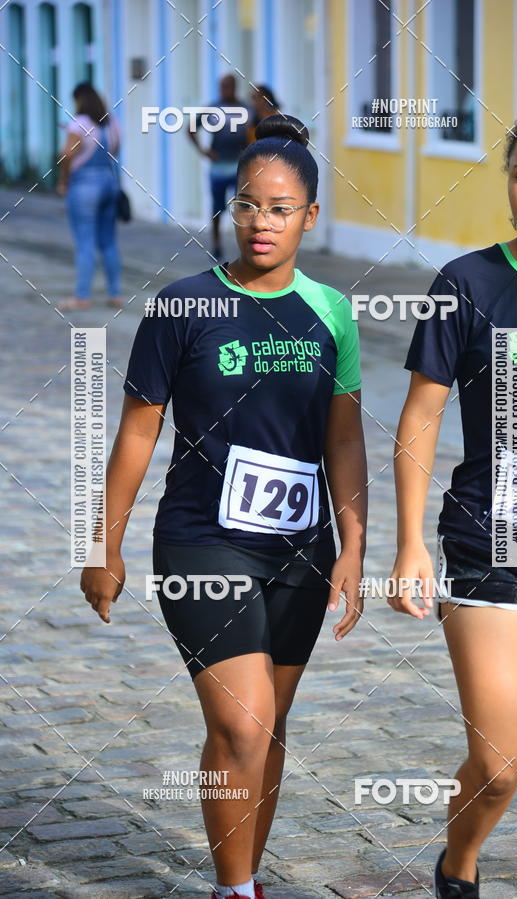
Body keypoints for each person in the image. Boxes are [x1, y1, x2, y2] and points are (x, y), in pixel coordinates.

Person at [81, 113, 367, 899]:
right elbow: (135, 438)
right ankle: (233, 889)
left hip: (300, 546)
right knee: (241, 722)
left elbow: (343, 442)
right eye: (247, 203)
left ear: (310, 216)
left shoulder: (332, 313)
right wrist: (101, 545)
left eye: (280, 207)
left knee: (266, 728)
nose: (259, 222)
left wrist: (354, 544)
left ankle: (247, 876)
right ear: (230, 208)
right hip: (202, 540)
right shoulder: (180, 308)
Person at [388, 108, 517, 899]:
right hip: (491, 538)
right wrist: (410, 543)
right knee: (504, 760)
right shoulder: (466, 284)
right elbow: (420, 417)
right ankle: (459, 861)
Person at [57, 82, 123, 310]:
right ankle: (115, 294)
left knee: (85, 241)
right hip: (109, 182)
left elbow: (67, 155)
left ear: (79, 100)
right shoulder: (112, 122)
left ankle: (82, 296)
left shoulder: (79, 123)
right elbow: (115, 151)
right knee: (108, 242)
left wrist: (64, 180)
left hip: (84, 185)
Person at [188, 73, 250, 262]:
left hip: (239, 166)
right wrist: (203, 151)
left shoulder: (246, 109)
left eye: (229, 86)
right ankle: (216, 243)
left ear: (235, 87)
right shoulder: (212, 109)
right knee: (217, 208)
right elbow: (190, 128)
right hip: (218, 167)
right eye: (223, 86)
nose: (226, 90)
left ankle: (246, 245)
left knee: (242, 207)